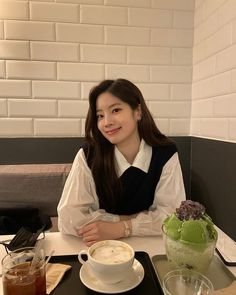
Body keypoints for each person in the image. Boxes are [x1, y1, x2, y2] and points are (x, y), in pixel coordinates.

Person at [57, 78, 186, 246]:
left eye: (116, 110)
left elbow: (172, 217)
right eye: (100, 115)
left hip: (151, 245)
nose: (106, 122)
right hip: (100, 248)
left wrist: (122, 228)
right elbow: (68, 218)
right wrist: (125, 220)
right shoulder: (89, 154)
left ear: (138, 111)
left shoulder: (165, 153)